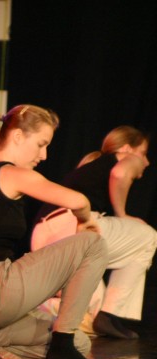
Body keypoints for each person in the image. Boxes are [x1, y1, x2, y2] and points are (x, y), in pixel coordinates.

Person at [0, 104, 107, 359]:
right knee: (94, 244)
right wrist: (85, 221)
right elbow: (79, 201)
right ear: (17, 136)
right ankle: (62, 343)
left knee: (82, 342)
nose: (44, 155)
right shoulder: (11, 173)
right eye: (41, 144)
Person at [31, 126, 154, 339]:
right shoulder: (125, 158)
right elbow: (120, 173)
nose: (147, 161)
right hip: (73, 224)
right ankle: (111, 314)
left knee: (88, 317)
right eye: (143, 153)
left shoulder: (94, 166)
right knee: (147, 236)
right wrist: (122, 214)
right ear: (126, 148)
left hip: (44, 232)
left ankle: (35, 309)